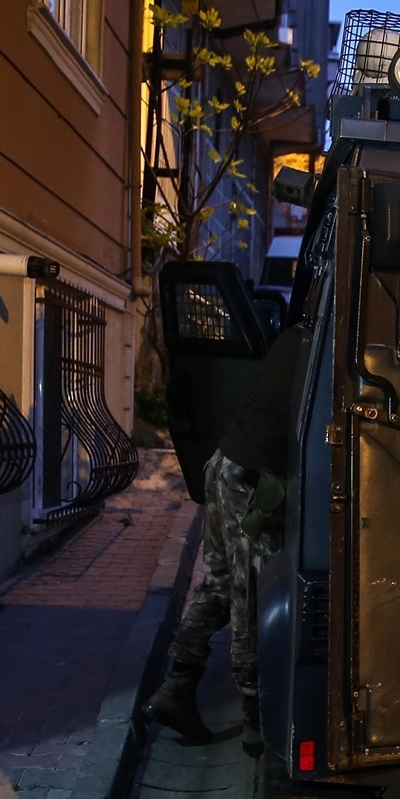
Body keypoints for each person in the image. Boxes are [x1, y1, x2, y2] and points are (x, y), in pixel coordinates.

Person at [145, 320, 306, 752]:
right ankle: (255, 717)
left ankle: (178, 686)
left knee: (219, 583)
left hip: (225, 464)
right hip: (252, 482)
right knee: (253, 592)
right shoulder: (323, 339)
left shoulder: (296, 335)